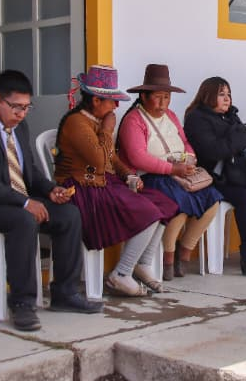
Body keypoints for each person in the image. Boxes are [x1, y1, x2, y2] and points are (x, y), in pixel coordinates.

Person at [0, 69, 103, 330]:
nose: (21, 114)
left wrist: (50, 189)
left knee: (69, 215)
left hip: (9, 199)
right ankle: (22, 303)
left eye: (26, 107)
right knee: (23, 220)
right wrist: (24, 202)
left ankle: (65, 294)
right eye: (15, 107)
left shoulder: (19, 127)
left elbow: (27, 170)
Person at [55, 65, 179, 297]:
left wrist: (128, 175)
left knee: (165, 204)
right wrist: (107, 130)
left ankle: (142, 264)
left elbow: (112, 158)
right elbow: (100, 162)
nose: (116, 106)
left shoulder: (96, 121)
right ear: (95, 101)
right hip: (83, 188)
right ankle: (121, 274)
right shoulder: (77, 123)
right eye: (111, 101)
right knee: (147, 211)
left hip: (105, 183)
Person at [116, 64, 223, 280]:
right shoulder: (133, 120)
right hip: (151, 177)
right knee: (178, 201)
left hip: (179, 172)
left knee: (212, 199)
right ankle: (167, 257)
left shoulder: (172, 116)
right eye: (158, 97)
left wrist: (190, 157)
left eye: (167, 97)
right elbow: (138, 157)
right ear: (144, 97)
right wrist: (172, 168)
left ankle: (184, 251)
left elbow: (184, 142)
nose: (163, 103)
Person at [184, 76, 246, 277]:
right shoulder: (196, 118)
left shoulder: (230, 116)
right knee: (245, 197)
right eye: (221, 94)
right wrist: (243, 138)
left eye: (229, 95)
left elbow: (242, 143)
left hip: (237, 173)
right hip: (215, 177)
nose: (227, 99)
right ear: (208, 95)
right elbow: (213, 151)